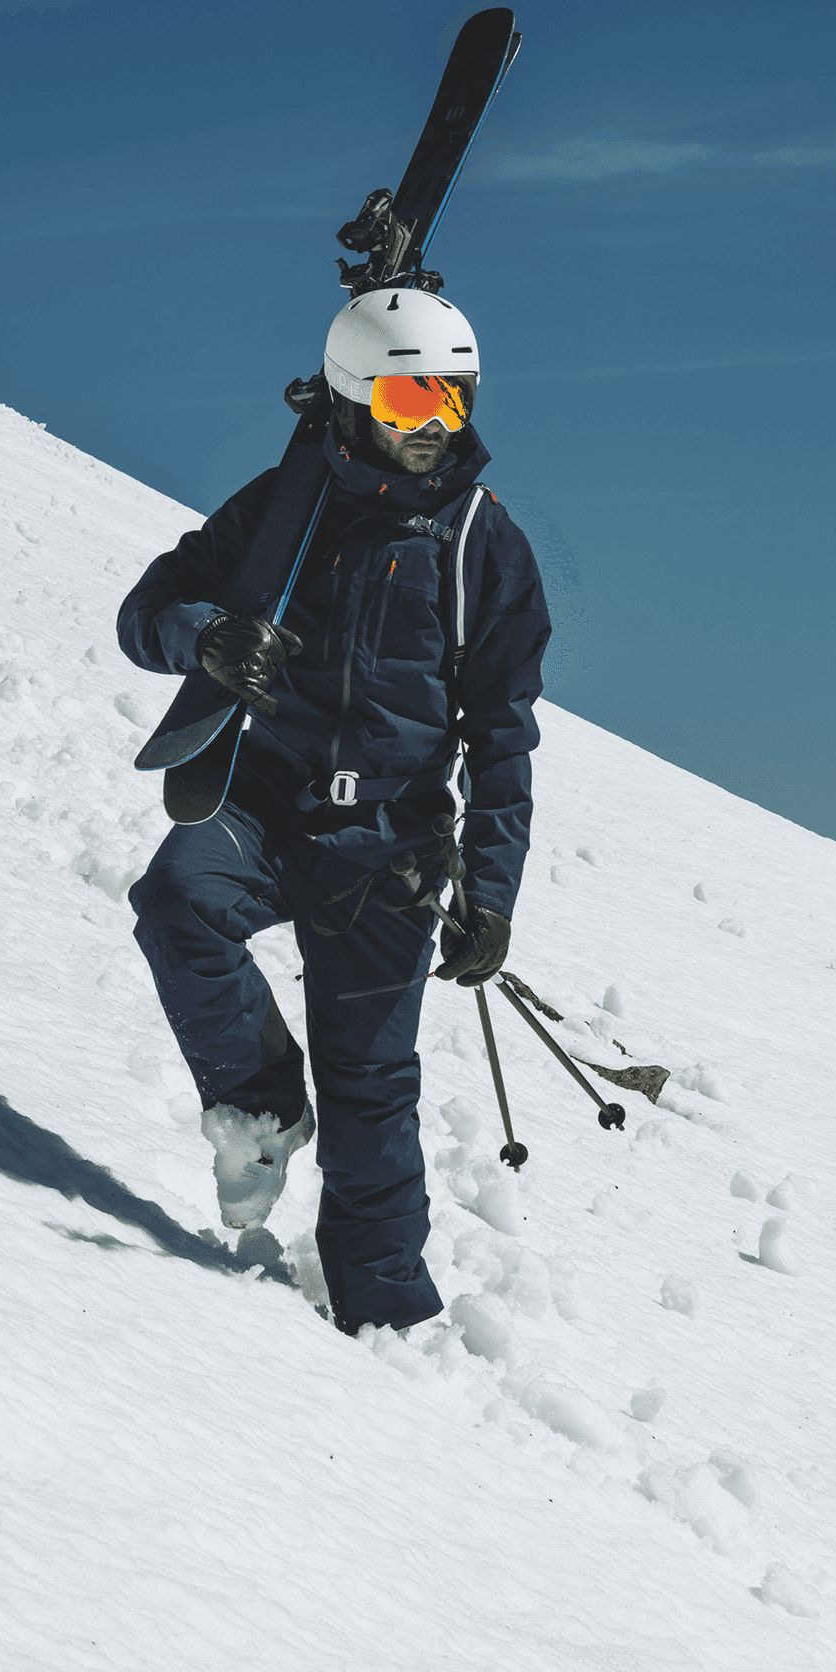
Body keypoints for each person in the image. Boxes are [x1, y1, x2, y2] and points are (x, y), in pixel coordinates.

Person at [117, 287, 550, 1334]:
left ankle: (385, 1317)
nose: (434, 423)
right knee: (177, 901)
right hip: (264, 805)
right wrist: (206, 637)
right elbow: (146, 610)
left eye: (454, 397)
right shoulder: (286, 507)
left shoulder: (481, 543)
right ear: (355, 398)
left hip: (389, 846)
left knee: (369, 1090)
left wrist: (490, 896)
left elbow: (501, 737)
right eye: (409, 399)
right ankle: (261, 1107)